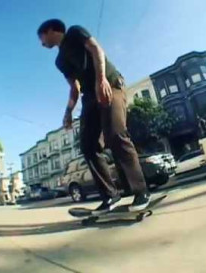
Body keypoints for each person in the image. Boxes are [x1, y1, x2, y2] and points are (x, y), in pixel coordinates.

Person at [37, 19, 150, 214]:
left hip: (110, 85)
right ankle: (110, 196)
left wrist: (102, 80)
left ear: (50, 30)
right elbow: (74, 87)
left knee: (115, 135)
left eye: (42, 38)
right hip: (89, 97)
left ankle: (141, 192)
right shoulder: (60, 61)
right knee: (88, 146)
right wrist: (68, 112)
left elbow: (96, 49)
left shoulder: (74, 32)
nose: (41, 43)